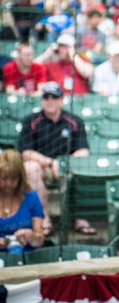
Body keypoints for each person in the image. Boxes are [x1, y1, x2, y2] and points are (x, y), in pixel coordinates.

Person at [18, 82, 95, 236]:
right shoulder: (31, 121)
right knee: (30, 168)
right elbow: (26, 153)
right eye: (47, 97)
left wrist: (63, 163)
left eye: (55, 97)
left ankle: (78, 217)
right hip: (43, 166)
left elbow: (83, 151)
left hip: (67, 165)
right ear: (42, 100)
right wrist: (51, 162)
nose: (50, 100)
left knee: (82, 168)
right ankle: (44, 218)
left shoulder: (74, 121)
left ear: (62, 100)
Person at [0, 149, 44, 251]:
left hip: (26, 256)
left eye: (13, 179)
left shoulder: (31, 197)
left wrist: (32, 236)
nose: (9, 183)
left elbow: (40, 240)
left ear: (21, 178)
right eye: (4, 178)